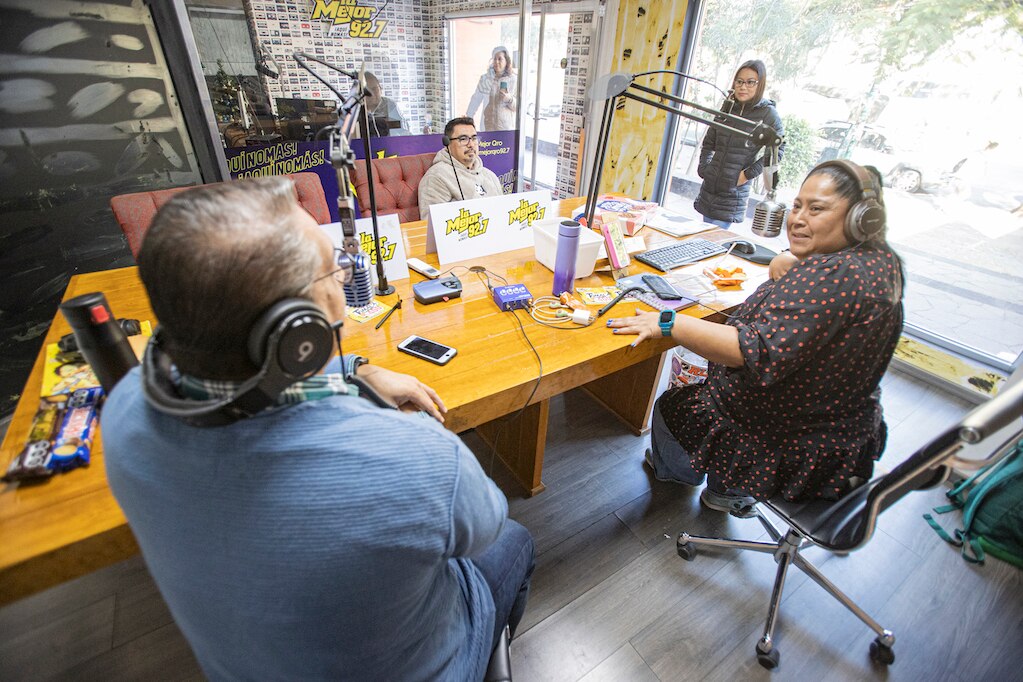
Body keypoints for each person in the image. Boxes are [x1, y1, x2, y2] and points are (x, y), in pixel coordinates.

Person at [101, 177, 535, 680]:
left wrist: (353, 370)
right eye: (336, 268)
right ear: (297, 334)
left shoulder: (123, 412)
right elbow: (483, 526)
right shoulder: (421, 459)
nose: (345, 279)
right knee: (514, 539)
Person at [608, 160, 904, 511]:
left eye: (817, 209)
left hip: (780, 437)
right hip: (832, 430)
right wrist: (795, 265)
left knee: (672, 407)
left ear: (860, 218)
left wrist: (669, 323)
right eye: (797, 206)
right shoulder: (880, 262)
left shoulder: (835, 278)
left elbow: (747, 351)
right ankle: (726, 492)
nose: (797, 219)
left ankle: (678, 475)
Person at [694, 59, 784, 229]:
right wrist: (704, 168)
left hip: (733, 191)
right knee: (703, 236)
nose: (743, 87)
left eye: (750, 82)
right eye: (740, 81)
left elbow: (777, 151)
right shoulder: (728, 107)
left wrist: (746, 175)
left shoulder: (768, 114)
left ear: (760, 84)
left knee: (715, 240)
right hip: (710, 187)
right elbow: (709, 142)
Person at [418, 117, 503, 219]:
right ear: (448, 144)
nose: (471, 145)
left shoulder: (490, 176)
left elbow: (502, 213)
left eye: (474, 138)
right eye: (463, 139)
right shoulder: (436, 177)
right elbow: (433, 225)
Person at [465, 46, 517, 131]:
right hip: (487, 126)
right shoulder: (485, 79)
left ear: (506, 61)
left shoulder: (513, 80)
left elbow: (519, 108)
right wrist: (469, 117)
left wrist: (509, 99)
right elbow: (475, 99)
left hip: (505, 129)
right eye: (494, 59)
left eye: (500, 59)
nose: (496, 62)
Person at [362, 71, 410, 136]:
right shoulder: (357, 108)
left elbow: (403, 130)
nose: (371, 94)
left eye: (374, 89)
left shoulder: (389, 105)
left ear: (380, 89)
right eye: (367, 90)